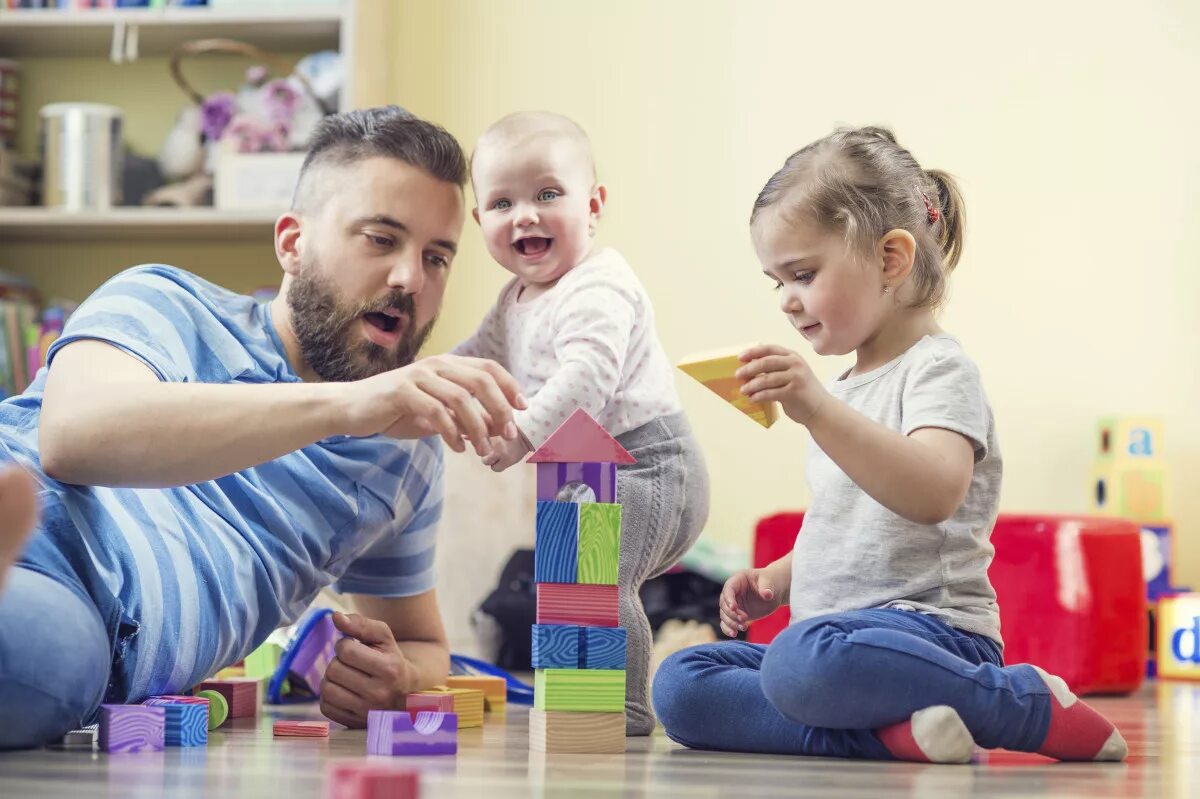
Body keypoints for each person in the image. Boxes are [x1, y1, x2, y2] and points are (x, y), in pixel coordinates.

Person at [0, 106, 526, 749]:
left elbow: (425, 644)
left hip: (90, 629)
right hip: (32, 510)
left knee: (42, 664)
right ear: (292, 243)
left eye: (437, 258)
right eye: (381, 239)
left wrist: (399, 678)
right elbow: (73, 438)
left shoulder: (402, 455)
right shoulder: (165, 300)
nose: (409, 279)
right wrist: (345, 404)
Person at [651, 126, 1127, 763]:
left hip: (931, 637)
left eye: (803, 273)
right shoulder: (844, 389)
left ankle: (1016, 703)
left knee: (799, 665)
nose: (788, 302)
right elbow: (847, 522)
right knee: (681, 684)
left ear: (890, 259)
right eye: (777, 283)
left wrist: (817, 409)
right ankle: (893, 737)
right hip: (836, 638)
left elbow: (932, 493)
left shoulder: (938, 370)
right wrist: (777, 581)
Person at [453, 111, 710, 735]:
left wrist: (519, 433)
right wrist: (419, 384)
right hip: (581, 465)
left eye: (548, 194)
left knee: (599, 579)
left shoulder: (599, 285)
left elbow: (586, 379)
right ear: (480, 220)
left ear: (592, 205)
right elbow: (471, 360)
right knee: (562, 583)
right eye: (502, 202)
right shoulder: (514, 300)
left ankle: (621, 707)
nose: (526, 215)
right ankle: (573, 699)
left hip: (650, 463)